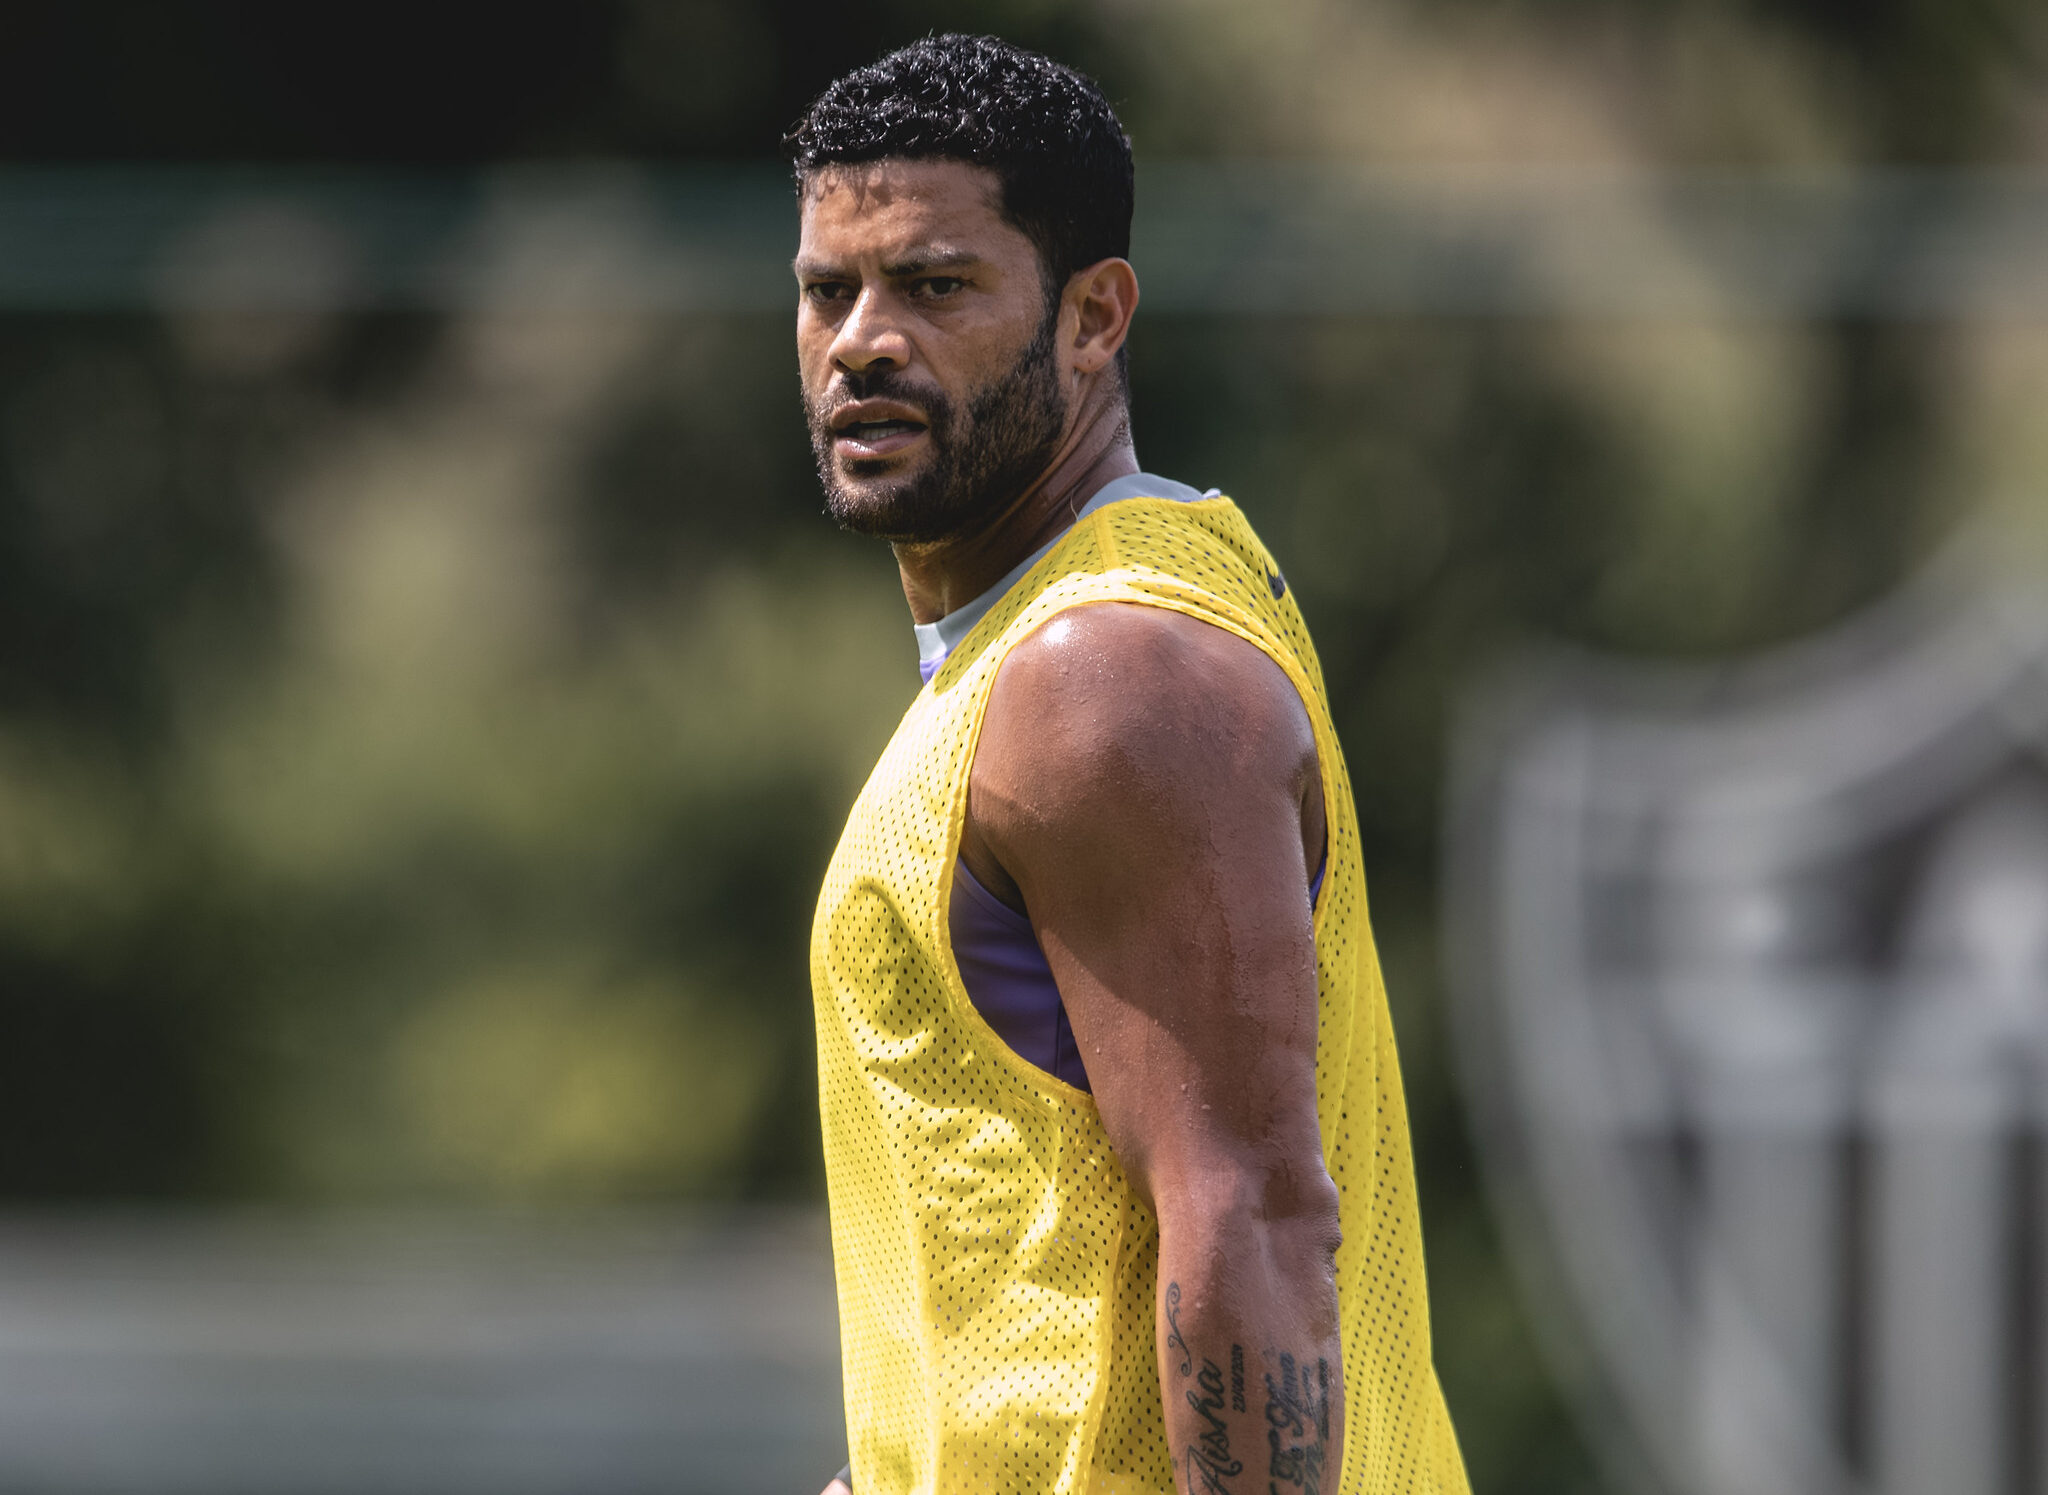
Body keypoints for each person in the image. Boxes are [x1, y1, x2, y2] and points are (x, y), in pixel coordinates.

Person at [789, 35, 1468, 1495]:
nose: (863, 342)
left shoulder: (1110, 675)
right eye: (829, 291)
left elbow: (1252, 1221)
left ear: (1093, 316)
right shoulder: (1034, 653)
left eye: (935, 286)